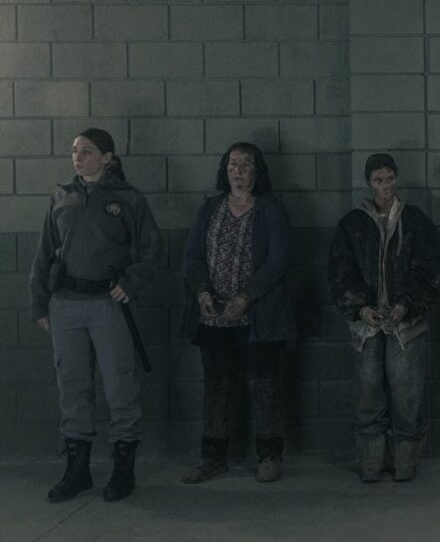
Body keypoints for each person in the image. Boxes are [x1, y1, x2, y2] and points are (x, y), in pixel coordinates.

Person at [29, 128, 163, 502]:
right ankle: (77, 469)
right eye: (75, 151)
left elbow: (152, 251)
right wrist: (40, 304)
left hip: (108, 304)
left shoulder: (127, 199)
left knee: (120, 384)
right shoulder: (61, 197)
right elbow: (44, 255)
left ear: (107, 157)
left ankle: (123, 468)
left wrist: (131, 283)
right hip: (66, 304)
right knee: (72, 387)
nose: (78, 157)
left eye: (87, 151)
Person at [180, 142, 294, 484]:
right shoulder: (210, 208)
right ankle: (213, 457)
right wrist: (201, 291)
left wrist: (247, 296)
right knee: (216, 386)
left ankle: (270, 455)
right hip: (214, 318)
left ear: (257, 171)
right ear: (224, 169)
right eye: (232, 164)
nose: (238, 170)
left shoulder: (271, 210)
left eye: (246, 164)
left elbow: (279, 261)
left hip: (258, 318)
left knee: (264, 386)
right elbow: (192, 257)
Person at [328, 154, 440, 483]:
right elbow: (339, 271)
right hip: (366, 326)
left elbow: (430, 268)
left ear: (397, 179)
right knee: (368, 391)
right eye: (378, 180)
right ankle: (372, 460)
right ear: (369, 183)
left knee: (407, 391)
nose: (385, 186)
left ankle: (406, 458)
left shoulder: (416, 221)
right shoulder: (351, 224)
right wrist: (361, 307)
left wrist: (406, 305)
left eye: (390, 179)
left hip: (406, 325)